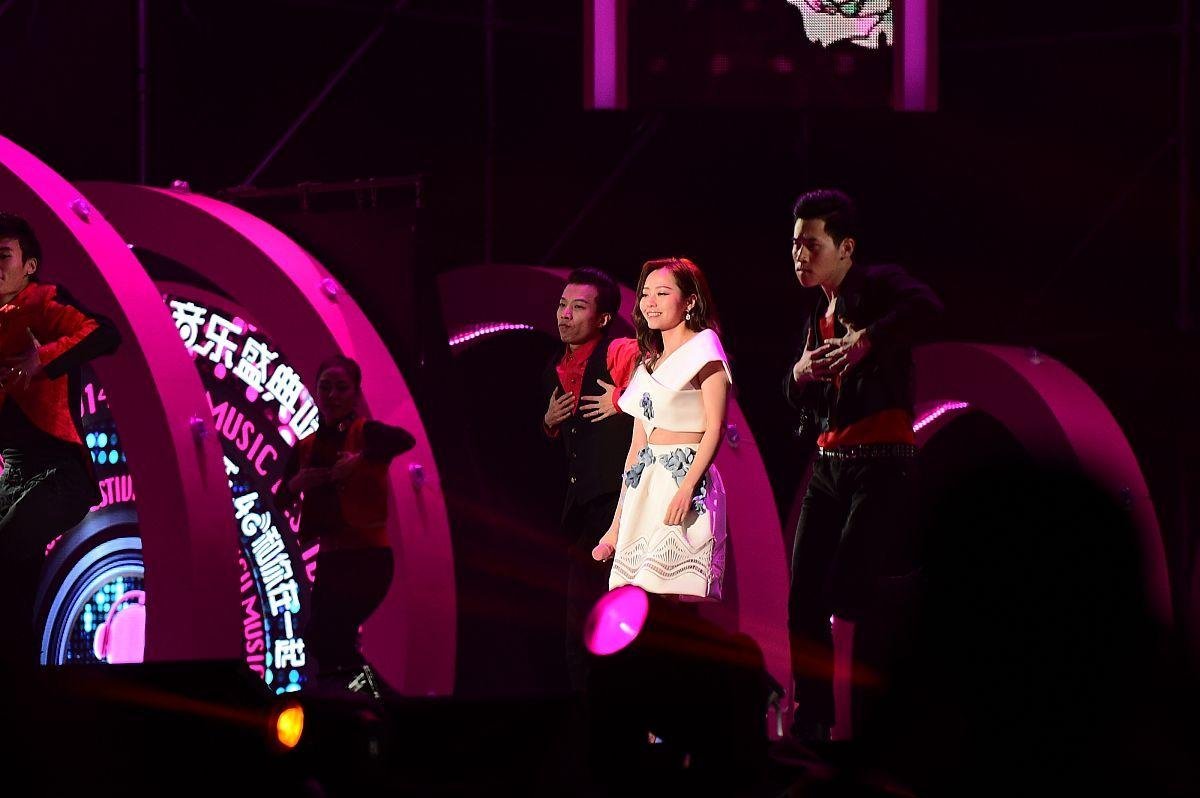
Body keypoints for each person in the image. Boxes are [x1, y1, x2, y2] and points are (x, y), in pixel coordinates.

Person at [783, 189, 942, 741]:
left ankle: (925, 594)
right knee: (803, 600)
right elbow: (797, 393)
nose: (799, 255)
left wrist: (867, 340)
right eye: (795, 244)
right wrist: (798, 374)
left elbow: (929, 307)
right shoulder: (817, 311)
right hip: (828, 466)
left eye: (811, 244)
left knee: (848, 592)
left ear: (846, 248)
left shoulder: (877, 285)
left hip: (880, 463)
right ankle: (812, 719)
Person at [0, 212, 121, 671]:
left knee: (7, 551)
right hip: (14, 475)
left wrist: (42, 360)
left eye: (3, 256)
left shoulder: (43, 302)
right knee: (14, 585)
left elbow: (105, 333)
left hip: (59, 474)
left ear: (29, 266)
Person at [592, 257, 731, 601]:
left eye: (663, 293)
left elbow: (714, 428)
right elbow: (637, 448)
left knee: (670, 597)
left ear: (690, 301)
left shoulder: (704, 351)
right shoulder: (649, 362)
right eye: (645, 294)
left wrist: (686, 488)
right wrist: (616, 525)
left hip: (683, 480)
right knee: (638, 598)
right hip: (647, 484)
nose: (650, 302)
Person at [279, 354, 414, 696]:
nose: (332, 395)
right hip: (331, 560)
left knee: (334, 633)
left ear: (355, 393)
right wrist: (296, 484)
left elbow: (404, 439)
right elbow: (281, 497)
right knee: (320, 639)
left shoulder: (367, 434)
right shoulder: (307, 446)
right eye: (325, 387)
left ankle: (375, 697)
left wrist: (361, 460)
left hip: (368, 558)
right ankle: (355, 696)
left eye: (341, 388)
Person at [541, 267, 639, 690]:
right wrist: (548, 423)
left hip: (623, 510)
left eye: (578, 307)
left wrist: (621, 397)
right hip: (584, 513)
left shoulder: (619, 351)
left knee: (621, 628)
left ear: (603, 318)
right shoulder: (554, 368)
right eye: (562, 304)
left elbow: (664, 378)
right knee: (578, 633)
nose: (564, 314)